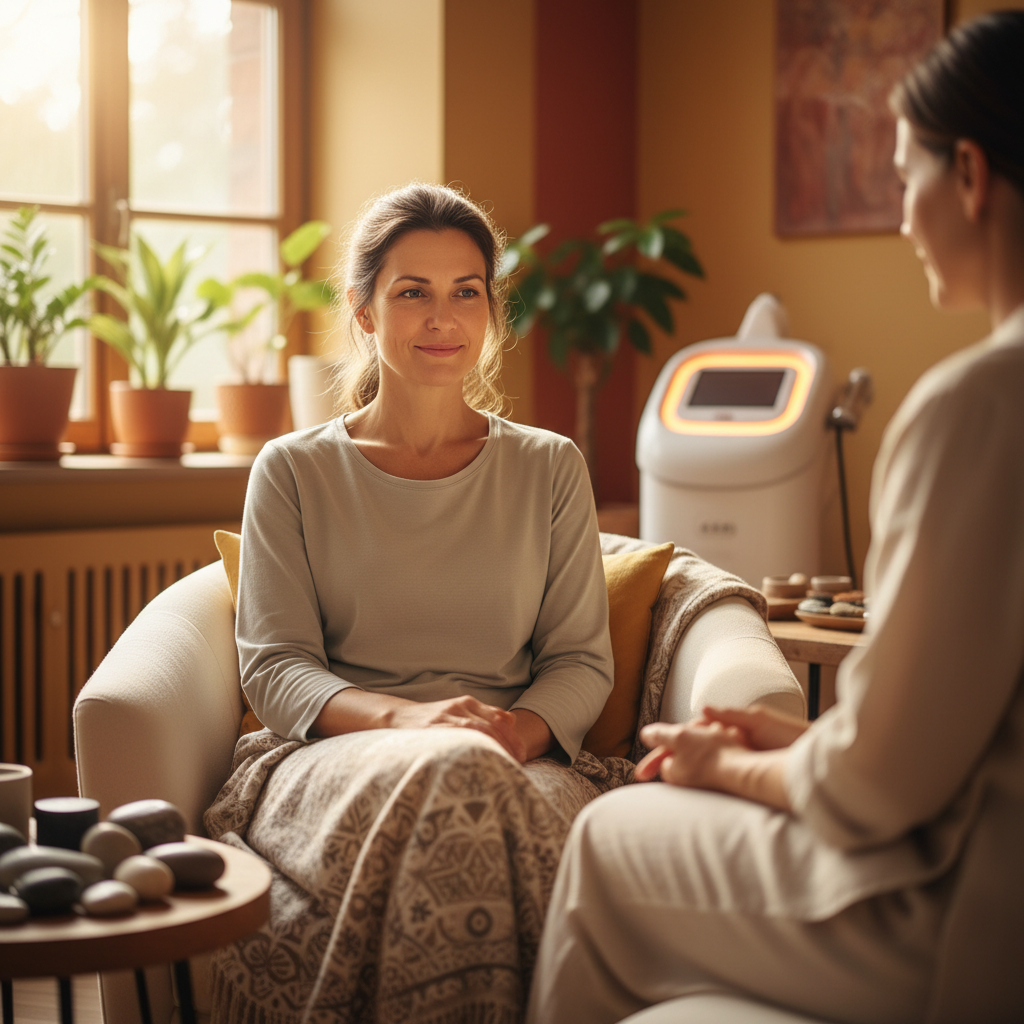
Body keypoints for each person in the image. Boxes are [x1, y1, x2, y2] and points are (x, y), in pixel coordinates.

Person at [527, 12, 1024, 1024]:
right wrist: (796, 748)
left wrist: (730, 763)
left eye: (903, 178)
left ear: (968, 174)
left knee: (607, 833)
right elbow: (955, 729)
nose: (900, 218)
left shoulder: (975, 405)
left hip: (961, 910)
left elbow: (880, 787)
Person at [202, 183, 631, 1024]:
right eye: (413, 293)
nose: (444, 317)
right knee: (458, 780)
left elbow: (580, 659)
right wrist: (406, 724)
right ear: (364, 313)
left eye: (466, 291)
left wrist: (513, 732)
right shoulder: (292, 470)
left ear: (491, 311)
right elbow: (276, 667)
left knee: (468, 784)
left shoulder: (550, 466)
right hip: (335, 754)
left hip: (516, 759)